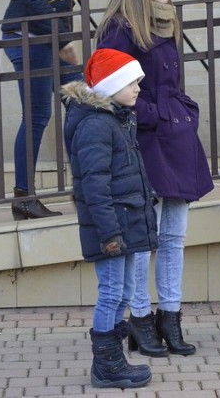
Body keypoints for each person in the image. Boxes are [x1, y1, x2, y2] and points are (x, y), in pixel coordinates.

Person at [95, 0, 214, 357]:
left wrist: (182, 112)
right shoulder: (119, 27)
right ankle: (141, 320)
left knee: (174, 236)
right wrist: (157, 115)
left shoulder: (166, 20)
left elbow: (171, 84)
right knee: (144, 238)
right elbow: (111, 90)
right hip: (143, 141)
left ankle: (171, 317)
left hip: (175, 138)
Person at [62, 48, 156, 389]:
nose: (137, 89)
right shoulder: (95, 126)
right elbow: (94, 187)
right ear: (109, 85)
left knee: (125, 290)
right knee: (112, 292)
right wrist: (110, 234)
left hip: (125, 221)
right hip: (112, 227)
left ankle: (114, 360)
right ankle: (106, 365)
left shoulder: (117, 118)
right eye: (131, 82)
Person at [2, 0, 82, 220]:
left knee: (80, 104)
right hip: (31, 36)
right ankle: (23, 197)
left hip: (47, 34)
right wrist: (62, 39)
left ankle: (86, 186)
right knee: (38, 117)